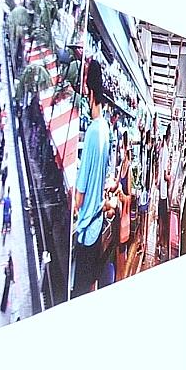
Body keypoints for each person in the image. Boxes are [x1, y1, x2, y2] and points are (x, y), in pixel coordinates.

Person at [70, 61, 115, 299]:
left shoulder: (92, 133)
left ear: (89, 93)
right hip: (98, 227)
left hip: (87, 232)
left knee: (78, 292)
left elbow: (79, 197)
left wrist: (72, 196)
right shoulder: (106, 130)